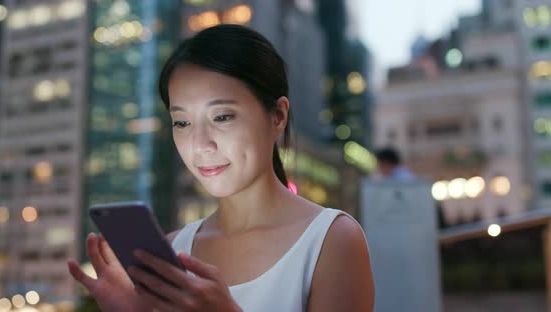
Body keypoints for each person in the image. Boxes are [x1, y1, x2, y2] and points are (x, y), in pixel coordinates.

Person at [67, 24, 374, 312]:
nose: (200, 144)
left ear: (277, 116)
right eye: (183, 122)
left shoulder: (332, 240)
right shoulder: (173, 251)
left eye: (222, 117)